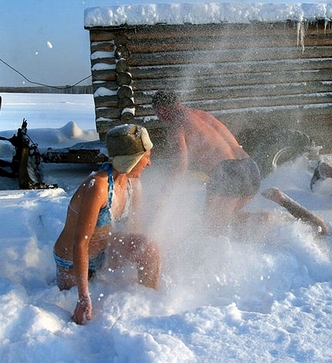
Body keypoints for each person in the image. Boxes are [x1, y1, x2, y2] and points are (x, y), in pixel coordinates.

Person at [53, 124, 161, 325]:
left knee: (149, 247)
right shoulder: (98, 186)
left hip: (103, 251)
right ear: (131, 159)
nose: (149, 163)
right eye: (146, 156)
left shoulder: (132, 184)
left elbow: (133, 231)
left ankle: (150, 305)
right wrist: (83, 297)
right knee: (80, 314)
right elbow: (80, 244)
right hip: (72, 260)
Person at [152, 90, 262, 235]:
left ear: (162, 109)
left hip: (228, 172)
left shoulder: (176, 127)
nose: (159, 118)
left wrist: (165, 193)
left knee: (209, 228)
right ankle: (272, 221)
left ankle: (272, 228)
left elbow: (180, 165)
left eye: (157, 114)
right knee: (225, 219)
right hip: (249, 167)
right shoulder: (200, 114)